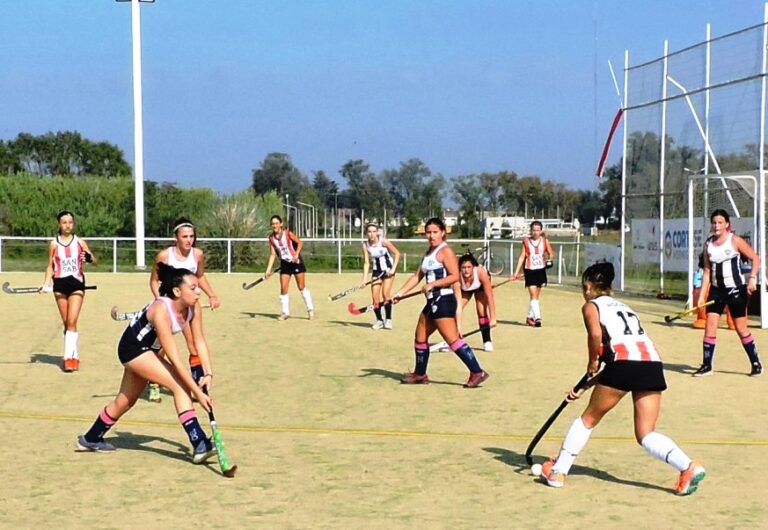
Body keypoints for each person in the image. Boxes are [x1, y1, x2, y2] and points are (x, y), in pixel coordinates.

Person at [540, 262, 706, 496]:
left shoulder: (591, 306)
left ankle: (558, 472)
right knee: (646, 433)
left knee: (588, 419)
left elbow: (596, 336)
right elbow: (622, 359)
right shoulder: (626, 308)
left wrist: (591, 362)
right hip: (652, 364)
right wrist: (587, 384)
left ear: (588, 287)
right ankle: (688, 467)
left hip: (624, 365)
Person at [76, 263, 217, 465]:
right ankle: (199, 443)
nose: (198, 292)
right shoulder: (161, 310)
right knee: (180, 386)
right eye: (193, 288)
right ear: (177, 291)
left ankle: (91, 438)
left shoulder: (193, 308)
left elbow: (199, 341)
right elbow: (174, 358)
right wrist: (198, 393)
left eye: (198, 287)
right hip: (132, 349)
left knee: (125, 401)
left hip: (149, 350)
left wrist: (208, 373)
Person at [393, 218, 489, 388]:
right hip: (432, 301)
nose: (431, 236)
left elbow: (454, 276)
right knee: (420, 336)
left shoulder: (446, 251)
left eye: (435, 232)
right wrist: (400, 293)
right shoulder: (428, 253)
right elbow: (417, 276)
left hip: (443, 299)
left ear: (443, 233)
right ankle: (420, 374)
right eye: (428, 232)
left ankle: (477, 372)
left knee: (452, 339)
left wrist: (433, 284)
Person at [148, 218, 220, 401]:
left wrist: (212, 295)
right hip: (168, 307)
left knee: (194, 343)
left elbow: (200, 276)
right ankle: (154, 381)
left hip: (191, 305)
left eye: (192, 236)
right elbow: (154, 281)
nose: (189, 240)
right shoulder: (164, 256)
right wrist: (161, 302)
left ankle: (198, 384)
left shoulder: (198, 255)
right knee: (162, 346)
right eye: (185, 236)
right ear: (176, 238)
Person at [693, 209, 762, 377]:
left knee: (741, 328)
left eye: (720, 222)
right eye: (714, 222)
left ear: (727, 224)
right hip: (716, 291)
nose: (716, 226)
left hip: (736, 290)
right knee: (710, 326)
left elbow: (755, 258)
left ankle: (756, 363)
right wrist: (701, 296)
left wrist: (752, 278)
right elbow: (707, 272)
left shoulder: (735, 240)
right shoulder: (708, 244)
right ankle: (707, 365)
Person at [40, 210, 97, 373]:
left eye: (70, 222)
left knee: (72, 320)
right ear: (59, 224)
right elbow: (50, 266)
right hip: (60, 284)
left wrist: (90, 258)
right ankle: (74, 355)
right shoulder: (54, 244)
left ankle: (67, 359)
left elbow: (94, 260)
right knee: (67, 323)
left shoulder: (79, 242)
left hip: (76, 284)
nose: (67, 225)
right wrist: (45, 284)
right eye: (64, 222)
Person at [264, 215, 315, 320]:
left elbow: (300, 243)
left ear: (281, 224)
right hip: (285, 264)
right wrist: (268, 270)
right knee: (283, 288)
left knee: (301, 287)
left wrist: (296, 254)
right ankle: (285, 312)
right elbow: (273, 254)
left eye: (276, 223)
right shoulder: (271, 238)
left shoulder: (287, 233)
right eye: (273, 224)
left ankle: (310, 310)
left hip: (296, 262)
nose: (274, 225)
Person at [512, 220, 555, 327]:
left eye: (538, 230)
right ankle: (538, 317)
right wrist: (516, 273)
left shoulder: (544, 241)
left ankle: (529, 317)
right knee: (533, 294)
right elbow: (522, 257)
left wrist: (549, 260)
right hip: (529, 270)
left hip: (540, 270)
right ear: (531, 231)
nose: (536, 232)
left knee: (535, 296)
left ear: (541, 231)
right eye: (534, 230)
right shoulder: (526, 242)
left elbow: (551, 253)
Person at [361, 223, 400, 330]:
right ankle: (379, 320)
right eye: (369, 232)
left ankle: (388, 319)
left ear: (377, 232)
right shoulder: (365, 245)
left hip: (388, 271)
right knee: (375, 298)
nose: (372, 234)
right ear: (366, 233)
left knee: (386, 294)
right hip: (376, 272)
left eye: (374, 231)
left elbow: (397, 254)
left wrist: (393, 269)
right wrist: (364, 280)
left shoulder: (384, 242)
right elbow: (366, 263)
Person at [457, 253, 497, 351]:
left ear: (473, 267)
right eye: (463, 267)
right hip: (465, 289)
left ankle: (487, 341)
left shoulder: (480, 272)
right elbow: (457, 307)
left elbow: (489, 296)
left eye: (469, 267)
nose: (466, 270)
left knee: (481, 311)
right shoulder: (457, 277)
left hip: (480, 287)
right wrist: (458, 328)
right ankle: (454, 340)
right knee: (454, 309)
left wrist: (493, 318)